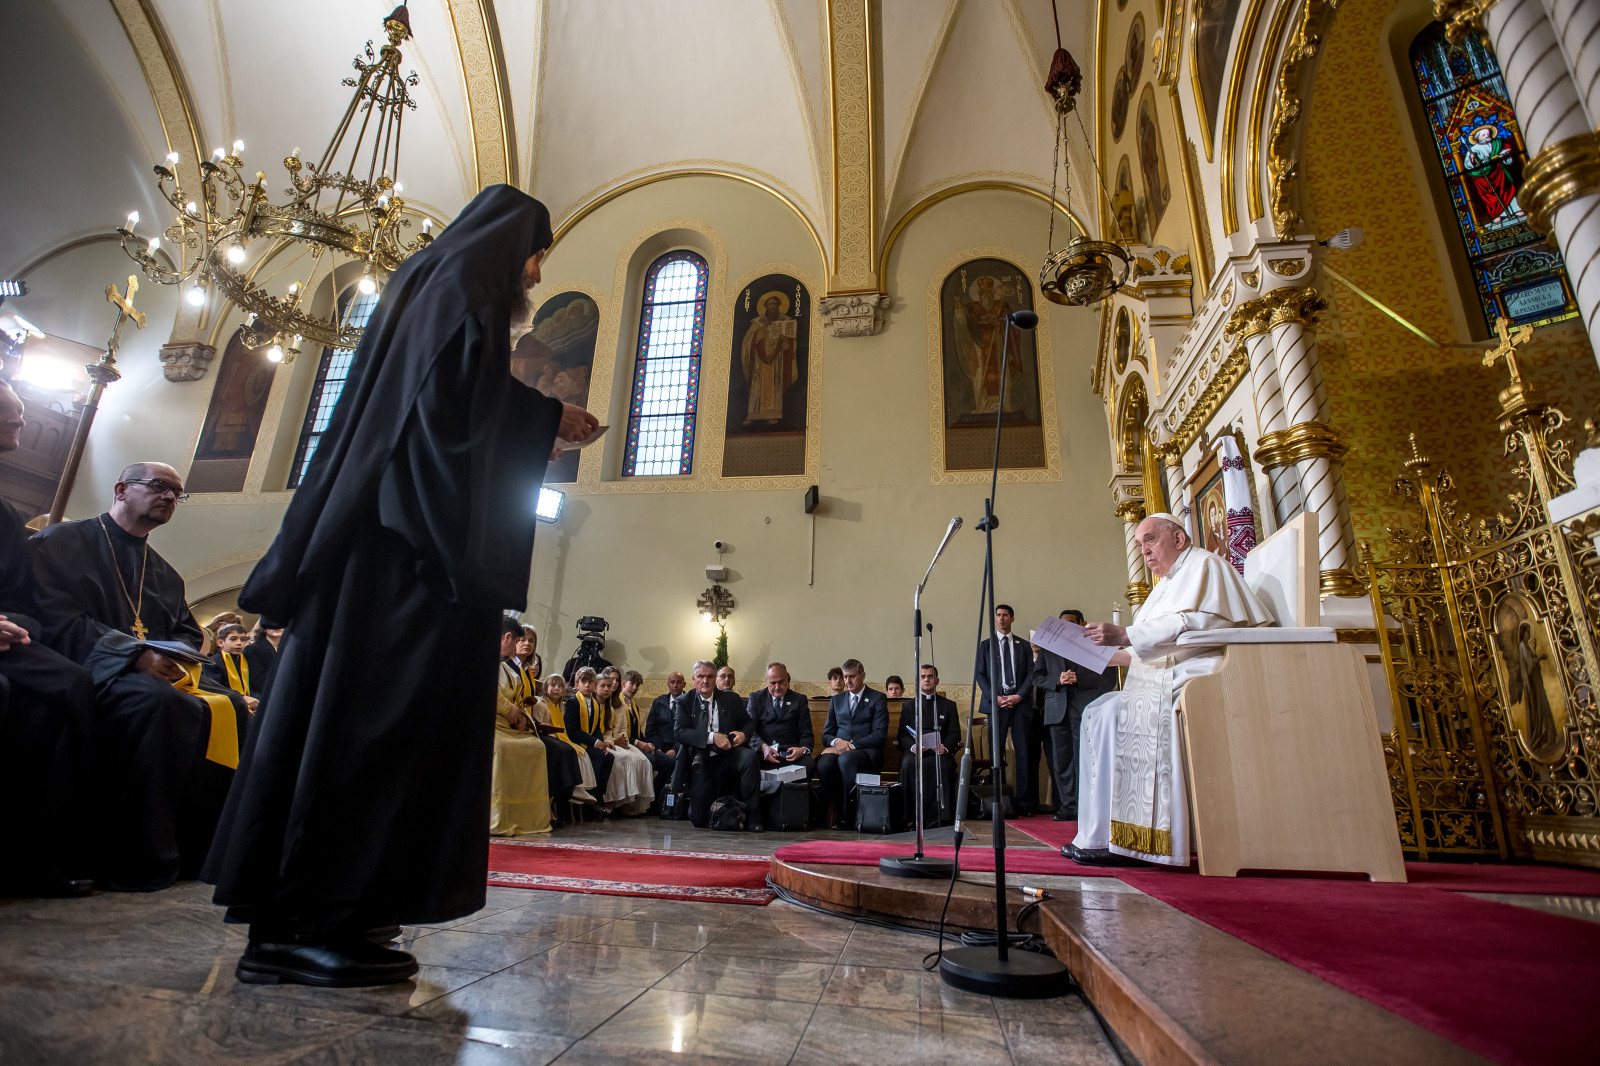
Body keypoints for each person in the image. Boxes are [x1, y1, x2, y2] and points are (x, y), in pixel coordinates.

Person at [203, 184, 599, 988]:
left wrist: (530, 421)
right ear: (508, 245)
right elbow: (444, 418)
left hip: (387, 552)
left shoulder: (436, 285)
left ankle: (340, 913)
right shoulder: (461, 289)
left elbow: (445, 404)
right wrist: (542, 420)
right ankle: (305, 923)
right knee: (366, 732)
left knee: (366, 730)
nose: (534, 274)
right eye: (536, 256)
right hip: (403, 563)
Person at [30, 461, 250, 892]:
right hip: (86, 669)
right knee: (157, 703)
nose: (169, 497)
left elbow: (187, 632)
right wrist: (132, 655)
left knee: (232, 706)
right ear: (121, 490)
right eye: (159, 486)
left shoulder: (164, 573)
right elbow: (54, 617)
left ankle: (197, 853)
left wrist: (173, 659)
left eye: (176, 493)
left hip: (152, 674)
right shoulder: (62, 542)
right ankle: (130, 859)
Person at [1067, 514, 1274, 867]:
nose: (1144, 551)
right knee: (1098, 710)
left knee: (1116, 713)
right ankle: (1102, 835)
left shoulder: (1206, 566)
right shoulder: (1164, 586)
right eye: (1139, 545)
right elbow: (1148, 646)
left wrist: (1126, 635)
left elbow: (1201, 624)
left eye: (1150, 539)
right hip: (1172, 670)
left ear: (1178, 539)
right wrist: (1099, 653)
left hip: (1206, 668)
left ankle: (1141, 841)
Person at [0, 377, 96, 897]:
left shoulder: (4, 516)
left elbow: (22, 597)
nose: (21, 418)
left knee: (69, 685)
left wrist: (17, 627)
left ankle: (36, 854)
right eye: (11, 413)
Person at [1032, 609, 1118, 822]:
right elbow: (1036, 677)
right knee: (1062, 762)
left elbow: (1109, 678)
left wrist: (1078, 678)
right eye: (1062, 623)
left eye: (1071, 623)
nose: (1066, 627)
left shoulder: (1096, 645)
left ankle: (1086, 806)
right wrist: (1057, 680)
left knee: (1085, 760)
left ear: (1082, 623)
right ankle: (1067, 807)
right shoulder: (1049, 646)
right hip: (1057, 711)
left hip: (1085, 709)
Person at [501, 628, 578, 823]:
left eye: (531, 641)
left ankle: (554, 801)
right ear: (513, 641)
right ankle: (547, 805)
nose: (527, 644)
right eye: (522, 640)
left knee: (566, 749)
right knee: (554, 750)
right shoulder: (507, 667)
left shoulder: (526, 670)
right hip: (514, 723)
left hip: (527, 722)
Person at [675, 660, 762, 831]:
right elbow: (680, 732)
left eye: (710, 677)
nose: (705, 681)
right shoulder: (684, 701)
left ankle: (753, 816)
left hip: (729, 754)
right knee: (699, 820)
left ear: (715, 679)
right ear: (693, 679)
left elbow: (749, 723)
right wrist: (712, 737)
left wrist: (743, 734)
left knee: (749, 757)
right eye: (701, 676)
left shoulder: (731, 699)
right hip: (702, 759)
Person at [975, 604, 1040, 815]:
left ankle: (1024, 803)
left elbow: (1031, 673)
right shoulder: (986, 645)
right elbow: (980, 674)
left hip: (1019, 704)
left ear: (1012, 618)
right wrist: (995, 697)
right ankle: (997, 802)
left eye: (1005, 615)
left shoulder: (1023, 645)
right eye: (998, 615)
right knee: (996, 754)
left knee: (1023, 753)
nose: (1001, 618)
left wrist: (1019, 696)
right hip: (996, 704)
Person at [489, 616, 551, 836]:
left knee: (537, 746)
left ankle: (524, 817)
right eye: (516, 641)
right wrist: (511, 711)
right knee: (501, 748)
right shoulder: (482, 660)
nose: (516, 647)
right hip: (492, 727)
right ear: (507, 637)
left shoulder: (508, 671)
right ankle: (497, 817)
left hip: (508, 727)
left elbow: (519, 701)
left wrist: (522, 717)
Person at [817, 659, 888, 830]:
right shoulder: (837, 700)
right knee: (823, 764)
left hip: (865, 751)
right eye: (845, 677)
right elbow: (826, 734)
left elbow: (879, 734)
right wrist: (837, 742)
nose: (847, 681)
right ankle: (839, 805)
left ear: (862, 675)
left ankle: (848, 815)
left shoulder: (877, 698)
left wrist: (850, 745)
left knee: (846, 760)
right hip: (839, 749)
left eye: (852, 677)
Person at [897, 664, 961, 825]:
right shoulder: (909, 706)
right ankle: (909, 816)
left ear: (937, 680)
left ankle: (943, 817)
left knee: (944, 766)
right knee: (907, 764)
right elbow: (902, 734)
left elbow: (955, 733)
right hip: (916, 752)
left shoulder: (949, 705)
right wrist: (913, 747)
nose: (926, 680)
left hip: (939, 751)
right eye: (923, 677)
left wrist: (945, 747)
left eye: (930, 676)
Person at [597, 667, 654, 814]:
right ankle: (614, 802)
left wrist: (622, 739)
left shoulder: (619, 703)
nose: (614, 683)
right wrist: (614, 741)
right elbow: (602, 730)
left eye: (616, 680)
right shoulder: (599, 701)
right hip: (607, 741)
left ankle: (633, 804)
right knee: (626, 758)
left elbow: (623, 727)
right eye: (611, 680)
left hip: (620, 740)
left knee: (643, 761)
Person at [746, 662, 815, 778]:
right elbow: (749, 729)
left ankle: (782, 788)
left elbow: (806, 731)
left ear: (787, 681)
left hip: (790, 753)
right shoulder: (756, 698)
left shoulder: (799, 699)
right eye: (773, 683)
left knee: (809, 764)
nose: (777, 687)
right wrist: (763, 747)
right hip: (763, 753)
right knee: (748, 761)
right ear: (767, 681)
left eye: (781, 682)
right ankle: (773, 788)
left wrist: (802, 749)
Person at [535, 673, 596, 805]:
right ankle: (573, 789)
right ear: (545, 689)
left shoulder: (561, 707)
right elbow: (537, 726)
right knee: (567, 750)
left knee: (581, 752)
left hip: (557, 737)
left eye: (560, 686)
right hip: (546, 737)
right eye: (553, 685)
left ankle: (579, 788)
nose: (557, 688)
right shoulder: (541, 705)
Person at [618, 668, 675, 798]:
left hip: (637, 744)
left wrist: (649, 744)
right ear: (623, 683)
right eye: (631, 684)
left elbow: (638, 732)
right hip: (626, 744)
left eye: (637, 685)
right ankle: (640, 798)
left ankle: (653, 797)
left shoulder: (634, 706)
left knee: (670, 763)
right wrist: (638, 743)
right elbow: (619, 733)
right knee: (650, 760)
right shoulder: (617, 703)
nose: (634, 688)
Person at [565, 667, 616, 801]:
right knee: (598, 756)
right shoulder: (573, 702)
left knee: (609, 757)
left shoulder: (595, 704)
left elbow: (597, 729)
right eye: (584, 682)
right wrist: (595, 742)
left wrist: (601, 743)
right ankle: (590, 795)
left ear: (594, 686)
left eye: (590, 682)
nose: (587, 685)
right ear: (577, 685)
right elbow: (572, 730)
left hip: (588, 741)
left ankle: (599, 796)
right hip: (575, 741)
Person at [645, 671, 687, 797]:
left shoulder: (690, 703)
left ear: (684, 684)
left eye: (679, 682)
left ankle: (666, 800)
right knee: (664, 763)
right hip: (659, 747)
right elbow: (650, 730)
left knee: (676, 764)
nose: (675, 685)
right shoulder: (658, 702)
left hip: (681, 747)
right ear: (668, 684)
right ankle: (655, 798)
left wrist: (675, 749)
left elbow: (689, 731)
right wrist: (657, 747)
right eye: (672, 682)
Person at [202, 623, 261, 711]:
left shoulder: (245, 660)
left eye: (243, 639)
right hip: (225, 706)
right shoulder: (212, 662)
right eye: (233, 639)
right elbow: (216, 689)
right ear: (221, 643)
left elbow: (252, 685)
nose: (239, 643)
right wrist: (242, 697)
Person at [242, 621, 282, 696]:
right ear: (263, 627)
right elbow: (257, 683)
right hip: (265, 696)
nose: (276, 625)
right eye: (271, 622)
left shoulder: (289, 649)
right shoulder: (253, 649)